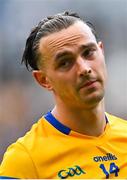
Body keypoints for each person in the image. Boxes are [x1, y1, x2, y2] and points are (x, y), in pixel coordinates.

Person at [0, 11, 127, 179]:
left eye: (88, 53)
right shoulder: (25, 160)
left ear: (101, 51)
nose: (84, 68)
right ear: (43, 80)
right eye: (65, 62)